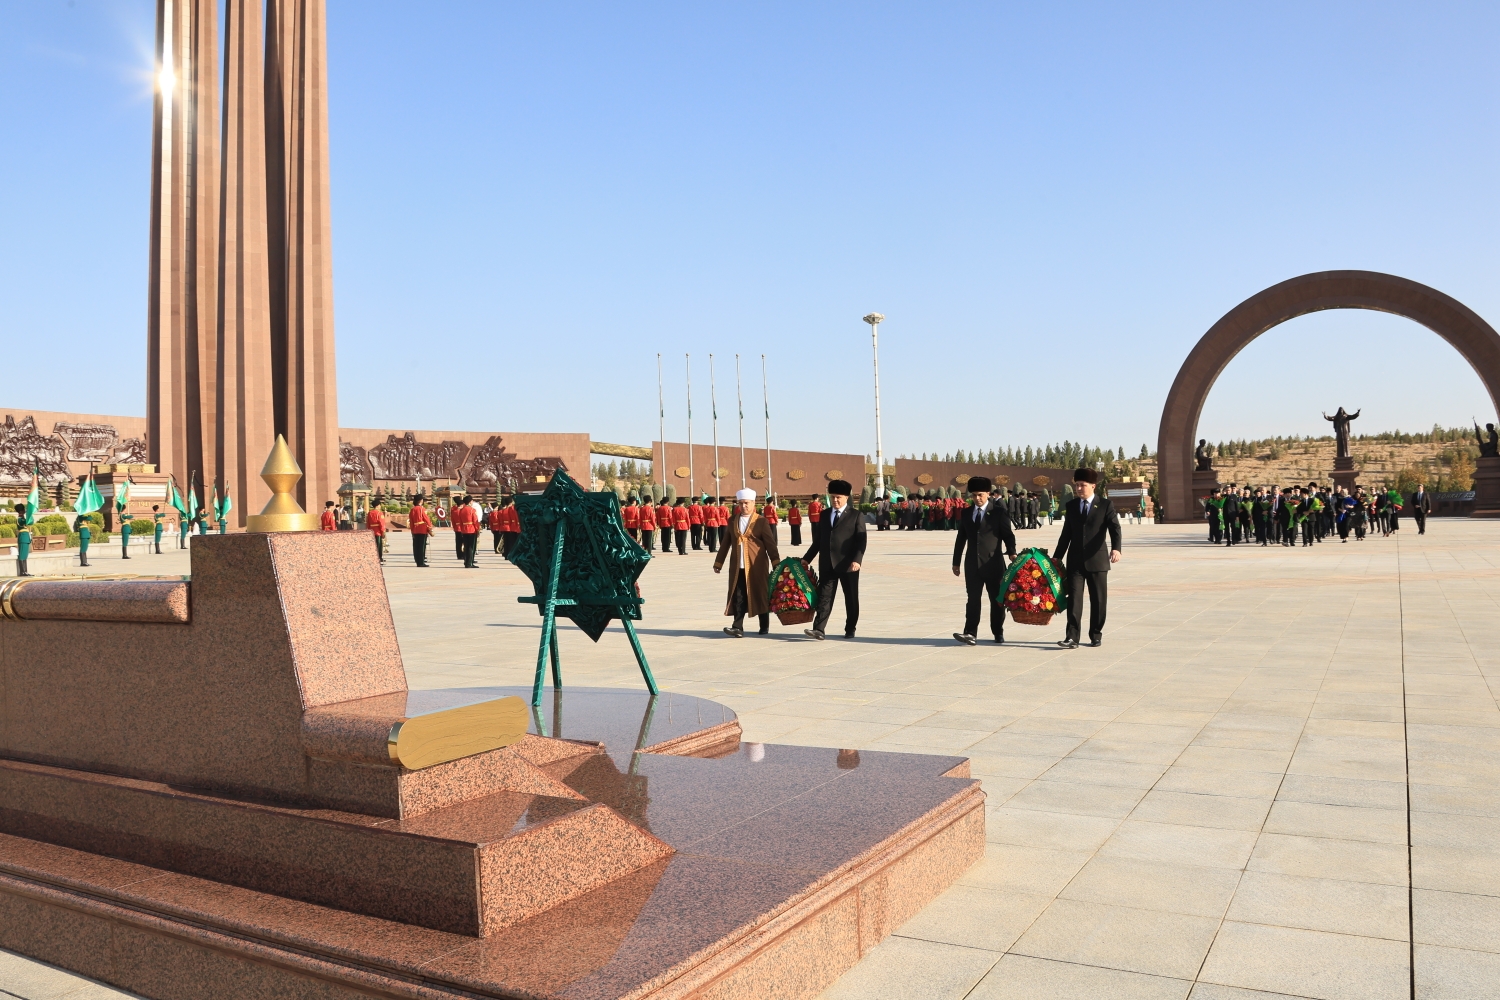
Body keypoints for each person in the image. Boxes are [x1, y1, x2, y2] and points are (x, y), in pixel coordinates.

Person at [1052, 468, 1122, 649]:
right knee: (1074, 599)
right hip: (1075, 561)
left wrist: (1116, 549)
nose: (1079, 488)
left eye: (1082, 485)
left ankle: (1096, 634)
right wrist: (1057, 557)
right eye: (1077, 485)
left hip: (1097, 560)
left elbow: (1115, 528)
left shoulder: (1105, 505)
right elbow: (1066, 534)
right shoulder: (1072, 506)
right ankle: (1072, 637)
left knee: (1098, 600)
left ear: (1093, 486)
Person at [950, 476, 1017, 646]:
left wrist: (1012, 553)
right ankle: (970, 633)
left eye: (980, 495)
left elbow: (1008, 535)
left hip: (993, 564)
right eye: (973, 495)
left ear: (988, 494)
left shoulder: (999, 512)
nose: (977, 498)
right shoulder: (966, 513)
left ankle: (997, 631)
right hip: (972, 564)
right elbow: (961, 539)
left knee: (996, 600)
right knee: (973, 599)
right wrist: (956, 561)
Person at [802, 479, 866, 640]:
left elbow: (861, 541)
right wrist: (806, 559)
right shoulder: (824, 515)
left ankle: (850, 628)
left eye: (838, 497)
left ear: (846, 497)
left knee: (851, 598)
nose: (835, 500)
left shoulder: (856, 515)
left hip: (848, 564)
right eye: (833, 497)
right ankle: (819, 629)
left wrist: (857, 560)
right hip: (827, 564)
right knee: (824, 596)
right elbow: (818, 541)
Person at [713, 488, 780, 636]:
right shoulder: (733, 520)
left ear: (753, 503)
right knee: (738, 595)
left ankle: (764, 625)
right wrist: (718, 563)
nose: (743, 506)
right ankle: (737, 627)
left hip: (757, 565)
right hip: (738, 566)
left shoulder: (761, 521)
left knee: (760, 594)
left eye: (746, 503)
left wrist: (776, 563)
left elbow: (770, 543)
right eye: (741, 503)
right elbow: (726, 543)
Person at [451, 494, 480, 567]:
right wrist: (477, 530)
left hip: (464, 530)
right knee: (471, 547)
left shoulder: (461, 510)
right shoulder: (472, 510)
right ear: (470, 502)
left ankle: (466, 562)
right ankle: (470, 563)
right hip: (471, 530)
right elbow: (475, 521)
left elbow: (460, 522)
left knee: (466, 547)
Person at [408, 498, 433, 567]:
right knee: (422, 546)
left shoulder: (412, 509)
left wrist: (412, 530)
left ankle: (417, 560)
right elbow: (426, 518)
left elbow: (411, 521)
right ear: (421, 501)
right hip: (422, 529)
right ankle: (421, 562)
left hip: (415, 529)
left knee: (416, 546)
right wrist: (430, 526)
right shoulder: (422, 509)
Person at [13, 503, 31, 577]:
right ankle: (22, 572)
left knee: (25, 555)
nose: (24, 511)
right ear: (21, 511)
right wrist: (29, 514)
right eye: (23, 510)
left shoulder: (23, 518)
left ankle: (25, 571)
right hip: (23, 537)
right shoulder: (20, 519)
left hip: (26, 537)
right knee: (22, 555)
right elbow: (26, 522)